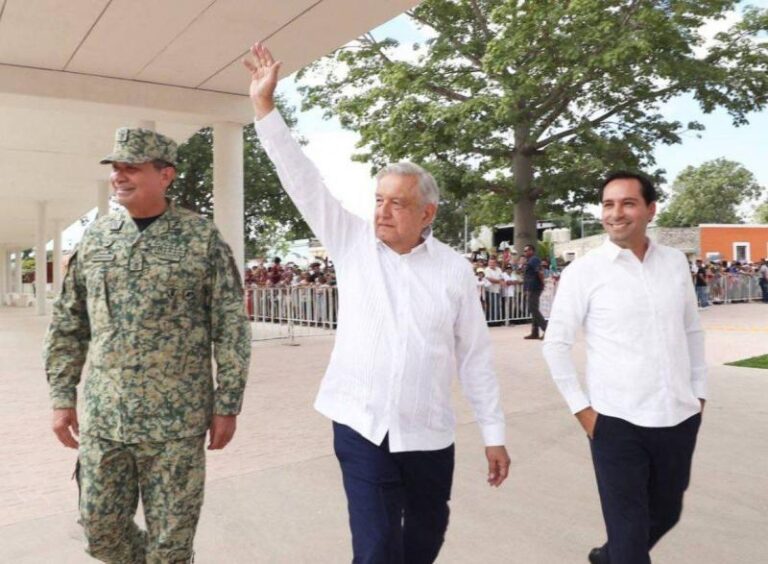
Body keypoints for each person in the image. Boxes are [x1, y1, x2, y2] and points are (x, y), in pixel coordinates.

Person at [244, 42, 509, 564]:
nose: (383, 212)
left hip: (429, 433)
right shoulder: (351, 244)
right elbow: (304, 183)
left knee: (425, 538)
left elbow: (475, 357)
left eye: (398, 203)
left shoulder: (454, 270)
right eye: (379, 199)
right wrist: (264, 110)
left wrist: (494, 434)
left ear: (427, 213)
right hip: (361, 425)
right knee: (377, 546)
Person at [44, 127, 252, 563]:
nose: (120, 176)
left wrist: (227, 403)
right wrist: (62, 397)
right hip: (105, 419)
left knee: (171, 546)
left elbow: (230, 325)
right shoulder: (96, 238)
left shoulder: (200, 238)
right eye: (116, 168)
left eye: (132, 168)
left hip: (175, 424)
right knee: (101, 533)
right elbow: (68, 323)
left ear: (166, 175)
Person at [542, 171, 706, 564]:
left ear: (650, 209)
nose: (615, 213)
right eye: (608, 204)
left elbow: (691, 330)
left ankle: (608, 556)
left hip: (679, 417)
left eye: (628, 203)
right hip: (616, 423)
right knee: (631, 537)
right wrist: (583, 411)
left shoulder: (673, 263)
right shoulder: (585, 271)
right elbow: (556, 344)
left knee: (666, 513)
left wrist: (699, 394)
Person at [522, 244, 547, 339]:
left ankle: (547, 330)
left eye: (526, 250)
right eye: (524, 251)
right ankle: (535, 332)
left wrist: (542, 282)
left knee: (533, 309)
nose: (525, 252)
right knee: (533, 308)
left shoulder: (534, 259)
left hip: (535, 287)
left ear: (532, 251)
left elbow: (539, 272)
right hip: (531, 287)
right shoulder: (530, 260)